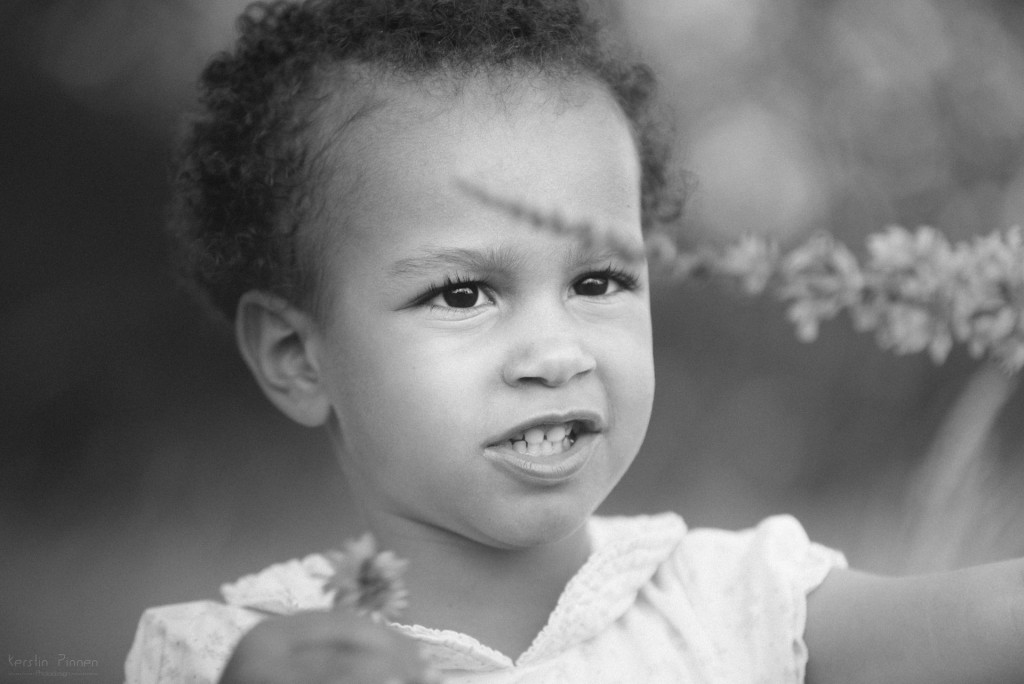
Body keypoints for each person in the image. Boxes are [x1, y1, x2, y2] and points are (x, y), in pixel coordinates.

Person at [124, 1, 1024, 682]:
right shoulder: (225, 650)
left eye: (597, 282)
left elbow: (986, 622)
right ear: (297, 355)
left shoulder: (730, 599)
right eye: (463, 292)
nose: (558, 352)